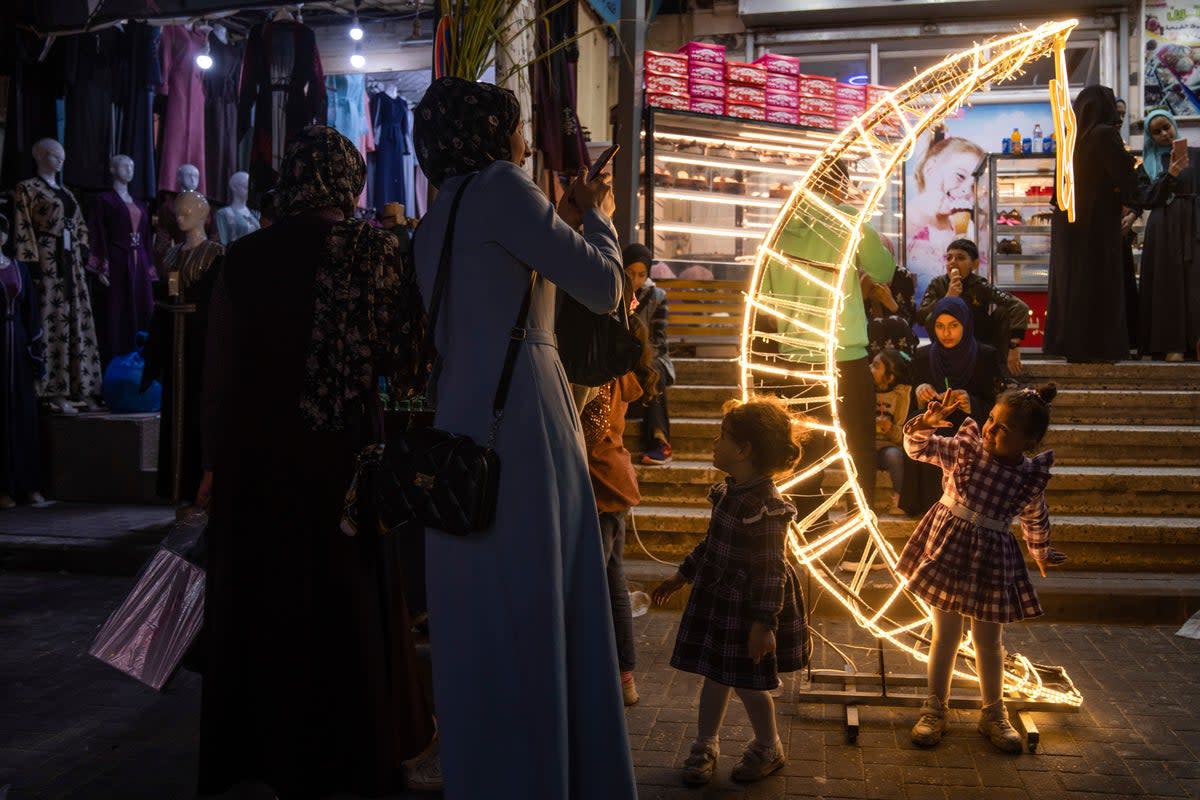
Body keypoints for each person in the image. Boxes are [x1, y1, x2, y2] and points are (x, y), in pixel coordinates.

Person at [410, 77, 637, 800]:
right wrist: (595, 215)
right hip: (527, 420)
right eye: (515, 126)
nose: (525, 140)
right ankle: (559, 772)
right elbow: (604, 288)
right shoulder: (504, 188)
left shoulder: (437, 211)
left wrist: (563, 216)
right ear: (490, 134)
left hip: (460, 423)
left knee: (484, 616)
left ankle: (491, 772)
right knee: (547, 601)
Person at [197, 126, 434, 799]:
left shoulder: (242, 259)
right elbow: (407, 366)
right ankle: (355, 749)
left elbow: (218, 375)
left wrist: (213, 464)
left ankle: (272, 752)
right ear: (348, 180)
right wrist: (408, 429)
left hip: (256, 463)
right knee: (344, 603)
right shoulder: (376, 250)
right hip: (345, 461)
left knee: (267, 603)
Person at [898, 384, 1065, 753]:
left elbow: (1035, 518)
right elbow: (917, 448)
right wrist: (926, 423)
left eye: (1004, 428)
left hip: (992, 558)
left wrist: (1040, 550)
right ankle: (935, 708)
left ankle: (993, 713)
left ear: (1029, 440)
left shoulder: (1027, 477)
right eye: (991, 419)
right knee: (945, 635)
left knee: (989, 641)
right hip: (948, 549)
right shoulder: (965, 450)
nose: (990, 430)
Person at [652, 399, 808, 785]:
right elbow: (712, 544)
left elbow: (770, 570)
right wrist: (681, 576)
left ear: (744, 450)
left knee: (747, 682)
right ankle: (706, 744)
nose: (715, 443)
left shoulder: (767, 507)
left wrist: (763, 623)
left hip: (748, 605)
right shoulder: (729, 491)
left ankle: (768, 745)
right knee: (716, 674)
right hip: (720, 598)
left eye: (723, 437)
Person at [760, 159, 896, 521]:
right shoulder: (849, 221)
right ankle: (857, 541)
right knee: (858, 451)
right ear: (841, 186)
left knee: (805, 452)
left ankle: (810, 528)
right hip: (845, 358)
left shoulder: (781, 227)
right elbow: (884, 270)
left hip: (796, 362)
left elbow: (769, 299)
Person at [582, 306, 659, 708]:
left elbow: (591, 433)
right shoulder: (619, 374)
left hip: (602, 485)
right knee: (611, 581)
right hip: (612, 482)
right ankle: (622, 675)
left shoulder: (603, 376)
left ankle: (618, 675)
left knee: (604, 585)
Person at [1044, 85, 1139, 363]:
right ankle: (1101, 348)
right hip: (1097, 223)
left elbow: (1056, 192)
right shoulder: (1105, 135)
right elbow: (1126, 180)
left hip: (1068, 223)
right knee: (1100, 283)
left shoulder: (1069, 138)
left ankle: (1074, 346)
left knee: (1074, 284)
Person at [899, 296, 1004, 517]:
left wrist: (970, 402)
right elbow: (911, 406)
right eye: (940, 326)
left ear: (965, 325)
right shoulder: (923, 356)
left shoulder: (985, 356)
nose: (946, 333)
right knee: (919, 424)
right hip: (935, 423)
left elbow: (994, 406)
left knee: (958, 433)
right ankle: (926, 504)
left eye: (953, 326)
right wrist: (920, 393)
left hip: (970, 423)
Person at [915, 239, 1029, 377]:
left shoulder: (980, 285)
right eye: (949, 258)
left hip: (979, 343)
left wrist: (1014, 346)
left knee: (1003, 312)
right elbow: (921, 317)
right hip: (947, 344)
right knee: (931, 317)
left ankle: (1000, 370)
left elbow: (1019, 306)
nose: (953, 262)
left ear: (974, 264)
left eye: (960, 258)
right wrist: (948, 297)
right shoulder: (937, 284)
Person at [1136, 108, 1198, 362]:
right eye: (1157, 131)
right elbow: (1147, 198)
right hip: (1164, 227)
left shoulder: (1195, 155)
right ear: (1151, 137)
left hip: (1193, 223)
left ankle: (1194, 342)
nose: (1164, 133)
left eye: (1167, 127)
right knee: (1167, 284)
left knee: (1194, 283)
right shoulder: (1148, 164)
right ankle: (1171, 344)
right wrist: (1170, 173)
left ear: (1174, 125)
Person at [0, 213, 46, 509]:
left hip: (17, 346)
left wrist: (35, 354)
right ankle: (3, 488)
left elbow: (31, 312)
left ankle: (28, 485)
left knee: (23, 415)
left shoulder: (18, 268)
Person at [906, 136, 987, 300]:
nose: (967, 191)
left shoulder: (968, 229)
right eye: (960, 176)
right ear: (930, 168)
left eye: (974, 186)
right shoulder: (906, 224)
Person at [624, 242, 675, 464]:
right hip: (621, 356)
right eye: (630, 273)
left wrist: (641, 357)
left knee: (652, 371)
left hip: (651, 357)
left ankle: (659, 440)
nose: (635, 280)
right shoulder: (613, 291)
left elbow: (658, 340)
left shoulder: (657, 296)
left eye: (641, 274)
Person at [872, 347, 912, 517]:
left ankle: (899, 499)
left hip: (887, 448)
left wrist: (890, 429)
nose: (870, 369)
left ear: (890, 377)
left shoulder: (900, 396)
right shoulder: (864, 389)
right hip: (867, 447)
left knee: (894, 455)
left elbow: (902, 434)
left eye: (876, 366)